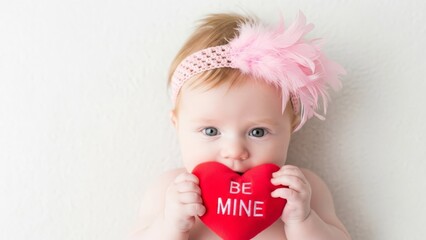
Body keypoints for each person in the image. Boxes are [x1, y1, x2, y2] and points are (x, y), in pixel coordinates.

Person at [131, 11, 351, 240]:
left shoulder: (303, 190)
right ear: (177, 125)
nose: (235, 151)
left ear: (291, 126)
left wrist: (303, 220)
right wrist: (170, 225)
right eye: (211, 131)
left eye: (258, 132)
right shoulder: (169, 191)